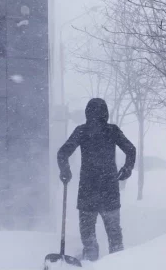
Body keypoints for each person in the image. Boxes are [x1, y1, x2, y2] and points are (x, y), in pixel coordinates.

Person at [57, 98, 136, 261]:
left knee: (88, 235)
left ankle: (90, 264)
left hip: (88, 190)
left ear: (87, 113)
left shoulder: (82, 131)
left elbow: (63, 153)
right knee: (114, 234)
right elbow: (131, 150)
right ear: (105, 113)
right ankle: (119, 265)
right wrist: (126, 169)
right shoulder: (112, 131)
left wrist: (65, 171)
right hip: (109, 191)